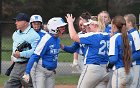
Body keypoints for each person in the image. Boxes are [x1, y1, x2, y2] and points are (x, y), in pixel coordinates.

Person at [65, 14, 108, 88]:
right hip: (106, 70)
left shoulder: (93, 36)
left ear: (95, 25)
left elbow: (73, 36)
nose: (88, 27)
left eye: (89, 25)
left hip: (93, 69)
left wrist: (70, 23)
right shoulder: (108, 35)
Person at [22, 17, 67, 88]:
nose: (63, 29)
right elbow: (35, 56)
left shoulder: (57, 39)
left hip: (50, 71)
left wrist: (52, 66)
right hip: (40, 71)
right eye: (61, 27)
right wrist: (27, 72)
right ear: (54, 28)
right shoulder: (46, 39)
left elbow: (51, 55)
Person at [4, 13, 40, 88]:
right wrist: (13, 58)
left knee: (29, 86)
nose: (15, 23)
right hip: (16, 66)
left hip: (28, 65)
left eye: (18, 21)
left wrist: (21, 54)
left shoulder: (34, 35)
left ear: (25, 22)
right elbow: (14, 48)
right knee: (9, 86)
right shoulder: (15, 34)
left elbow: (35, 52)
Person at [107, 16, 133, 88]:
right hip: (130, 71)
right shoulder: (129, 36)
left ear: (114, 26)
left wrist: (108, 66)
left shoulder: (114, 38)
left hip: (120, 71)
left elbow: (113, 59)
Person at [29, 14, 47, 88]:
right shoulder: (28, 33)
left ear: (41, 24)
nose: (36, 25)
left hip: (41, 61)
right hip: (30, 60)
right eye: (34, 23)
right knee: (30, 82)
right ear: (31, 24)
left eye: (38, 23)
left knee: (41, 82)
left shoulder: (45, 34)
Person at [124, 14, 140, 88]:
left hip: (136, 64)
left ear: (130, 23)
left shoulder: (135, 34)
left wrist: (128, 59)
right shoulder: (127, 34)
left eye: (125, 22)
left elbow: (139, 52)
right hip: (130, 65)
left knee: (134, 85)